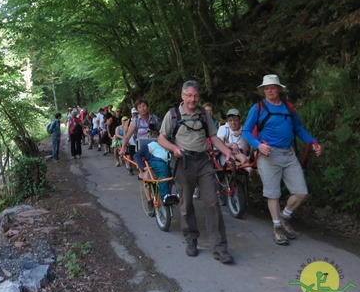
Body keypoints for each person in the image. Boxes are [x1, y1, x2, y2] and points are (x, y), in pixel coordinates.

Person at [158, 80, 236, 264]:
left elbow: (214, 137)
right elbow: (161, 138)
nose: (193, 99)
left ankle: (220, 248)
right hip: (183, 162)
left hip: (203, 162)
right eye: (189, 95)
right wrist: (174, 149)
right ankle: (191, 238)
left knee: (212, 202)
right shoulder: (173, 114)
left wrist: (227, 152)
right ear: (182, 96)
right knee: (186, 204)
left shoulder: (203, 114)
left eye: (196, 95)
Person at [242, 74, 322, 246]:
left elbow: (298, 129)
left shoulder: (289, 108)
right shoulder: (258, 108)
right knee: (273, 194)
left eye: (273, 87)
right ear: (263, 91)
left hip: (288, 154)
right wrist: (258, 145)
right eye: (267, 88)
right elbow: (246, 131)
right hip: (268, 155)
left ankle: (285, 217)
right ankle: (277, 227)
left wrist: (312, 142)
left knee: (301, 192)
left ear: (279, 89)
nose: (270, 90)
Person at [121, 99, 159, 179]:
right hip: (142, 148)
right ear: (137, 110)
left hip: (155, 148)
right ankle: (143, 172)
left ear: (147, 107)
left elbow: (161, 133)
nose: (142, 108)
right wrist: (123, 148)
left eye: (144, 106)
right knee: (147, 177)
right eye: (139, 107)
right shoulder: (135, 121)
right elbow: (127, 136)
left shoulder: (155, 118)